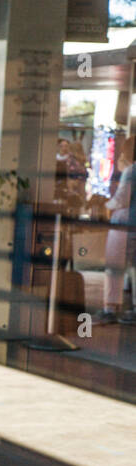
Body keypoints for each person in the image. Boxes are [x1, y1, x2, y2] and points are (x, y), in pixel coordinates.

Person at [100, 134, 136, 325]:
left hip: (125, 223)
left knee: (114, 267)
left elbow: (121, 198)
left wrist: (107, 204)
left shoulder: (131, 171)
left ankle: (110, 309)